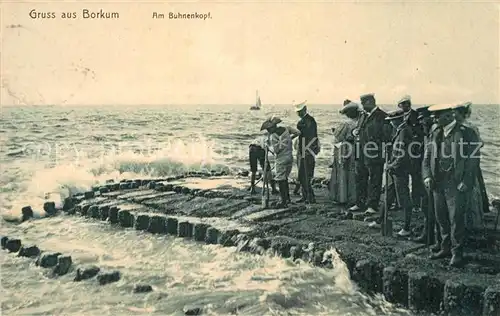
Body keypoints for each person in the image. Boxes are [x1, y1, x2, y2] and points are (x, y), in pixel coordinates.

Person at [422, 103, 480, 267]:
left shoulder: (466, 133)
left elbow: (473, 161)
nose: (433, 119)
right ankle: (445, 248)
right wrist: (427, 176)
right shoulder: (435, 132)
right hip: (437, 182)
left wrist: (466, 182)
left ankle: (457, 253)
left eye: (436, 116)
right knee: (441, 217)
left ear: (448, 116)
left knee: (456, 218)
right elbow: (426, 158)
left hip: (456, 183)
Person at [349, 93, 390, 215]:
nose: (362, 105)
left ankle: (372, 205)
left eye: (363, 103)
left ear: (370, 102)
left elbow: (386, 136)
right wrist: (354, 132)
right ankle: (360, 203)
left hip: (374, 154)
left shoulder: (382, 116)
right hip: (361, 152)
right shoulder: (363, 116)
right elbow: (358, 129)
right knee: (360, 178)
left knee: (374, 180)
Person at [454, 102, 488, 230]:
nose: (453, 115)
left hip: (470, 162)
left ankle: (473, 222)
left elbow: (479, 144)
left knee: (472, 191)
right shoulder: (456, 127)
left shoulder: (470, 127)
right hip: (461, 162)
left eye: (455, 113)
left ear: (461, 114)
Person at [385, 109, 415, 237]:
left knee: (403, 198)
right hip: (396, 169)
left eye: (391, 121)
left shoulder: (403, 131)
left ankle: (407, 227)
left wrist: (391, 165)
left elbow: (402, 154)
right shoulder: (400, 130)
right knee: (390, 194)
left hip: (400, 169)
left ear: (397, 120)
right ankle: (382, 220)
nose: (391, 123)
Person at [260, 116, 300, 208]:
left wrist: (268, 147)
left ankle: (283, 201)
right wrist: (289, 139)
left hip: (281, 159)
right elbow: (298, 132)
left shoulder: (273, 136)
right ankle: (287, 199)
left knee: (281, 180)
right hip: (289, 157)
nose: (268, 131)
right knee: (285, 178)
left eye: (268, 129)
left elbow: (276, 150)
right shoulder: (287, 129)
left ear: (272, 127)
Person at [329, 100, 359, 205]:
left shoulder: (346, 124)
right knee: (353, 173)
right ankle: (354, 197)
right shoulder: (360, 122)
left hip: (345, 148)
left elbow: (338, 137)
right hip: (356, 148)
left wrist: (334, 131)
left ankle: (343, 197)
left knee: (343, 172)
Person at [398, 95, 424, 212]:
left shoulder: (416, 116)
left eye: (407, 103)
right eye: (403, 104)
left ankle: (416, 203)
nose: (405, 106)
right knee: (403, 178)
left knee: (416, 179)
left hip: (414, 152)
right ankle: (404, 203)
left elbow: (419, 133)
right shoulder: (399, 116)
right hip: (403, 153)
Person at [294, 100, 320, 204]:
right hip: (305, 150)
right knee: (303, 175)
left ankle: (310, 197)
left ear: (305, 110)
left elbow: (310, 136)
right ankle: (306, 196)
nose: (298, 113)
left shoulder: (306, 121)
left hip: (306, 151)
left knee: (305, 174)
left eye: (300, 111)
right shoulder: (310, 120)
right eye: (298, 111)